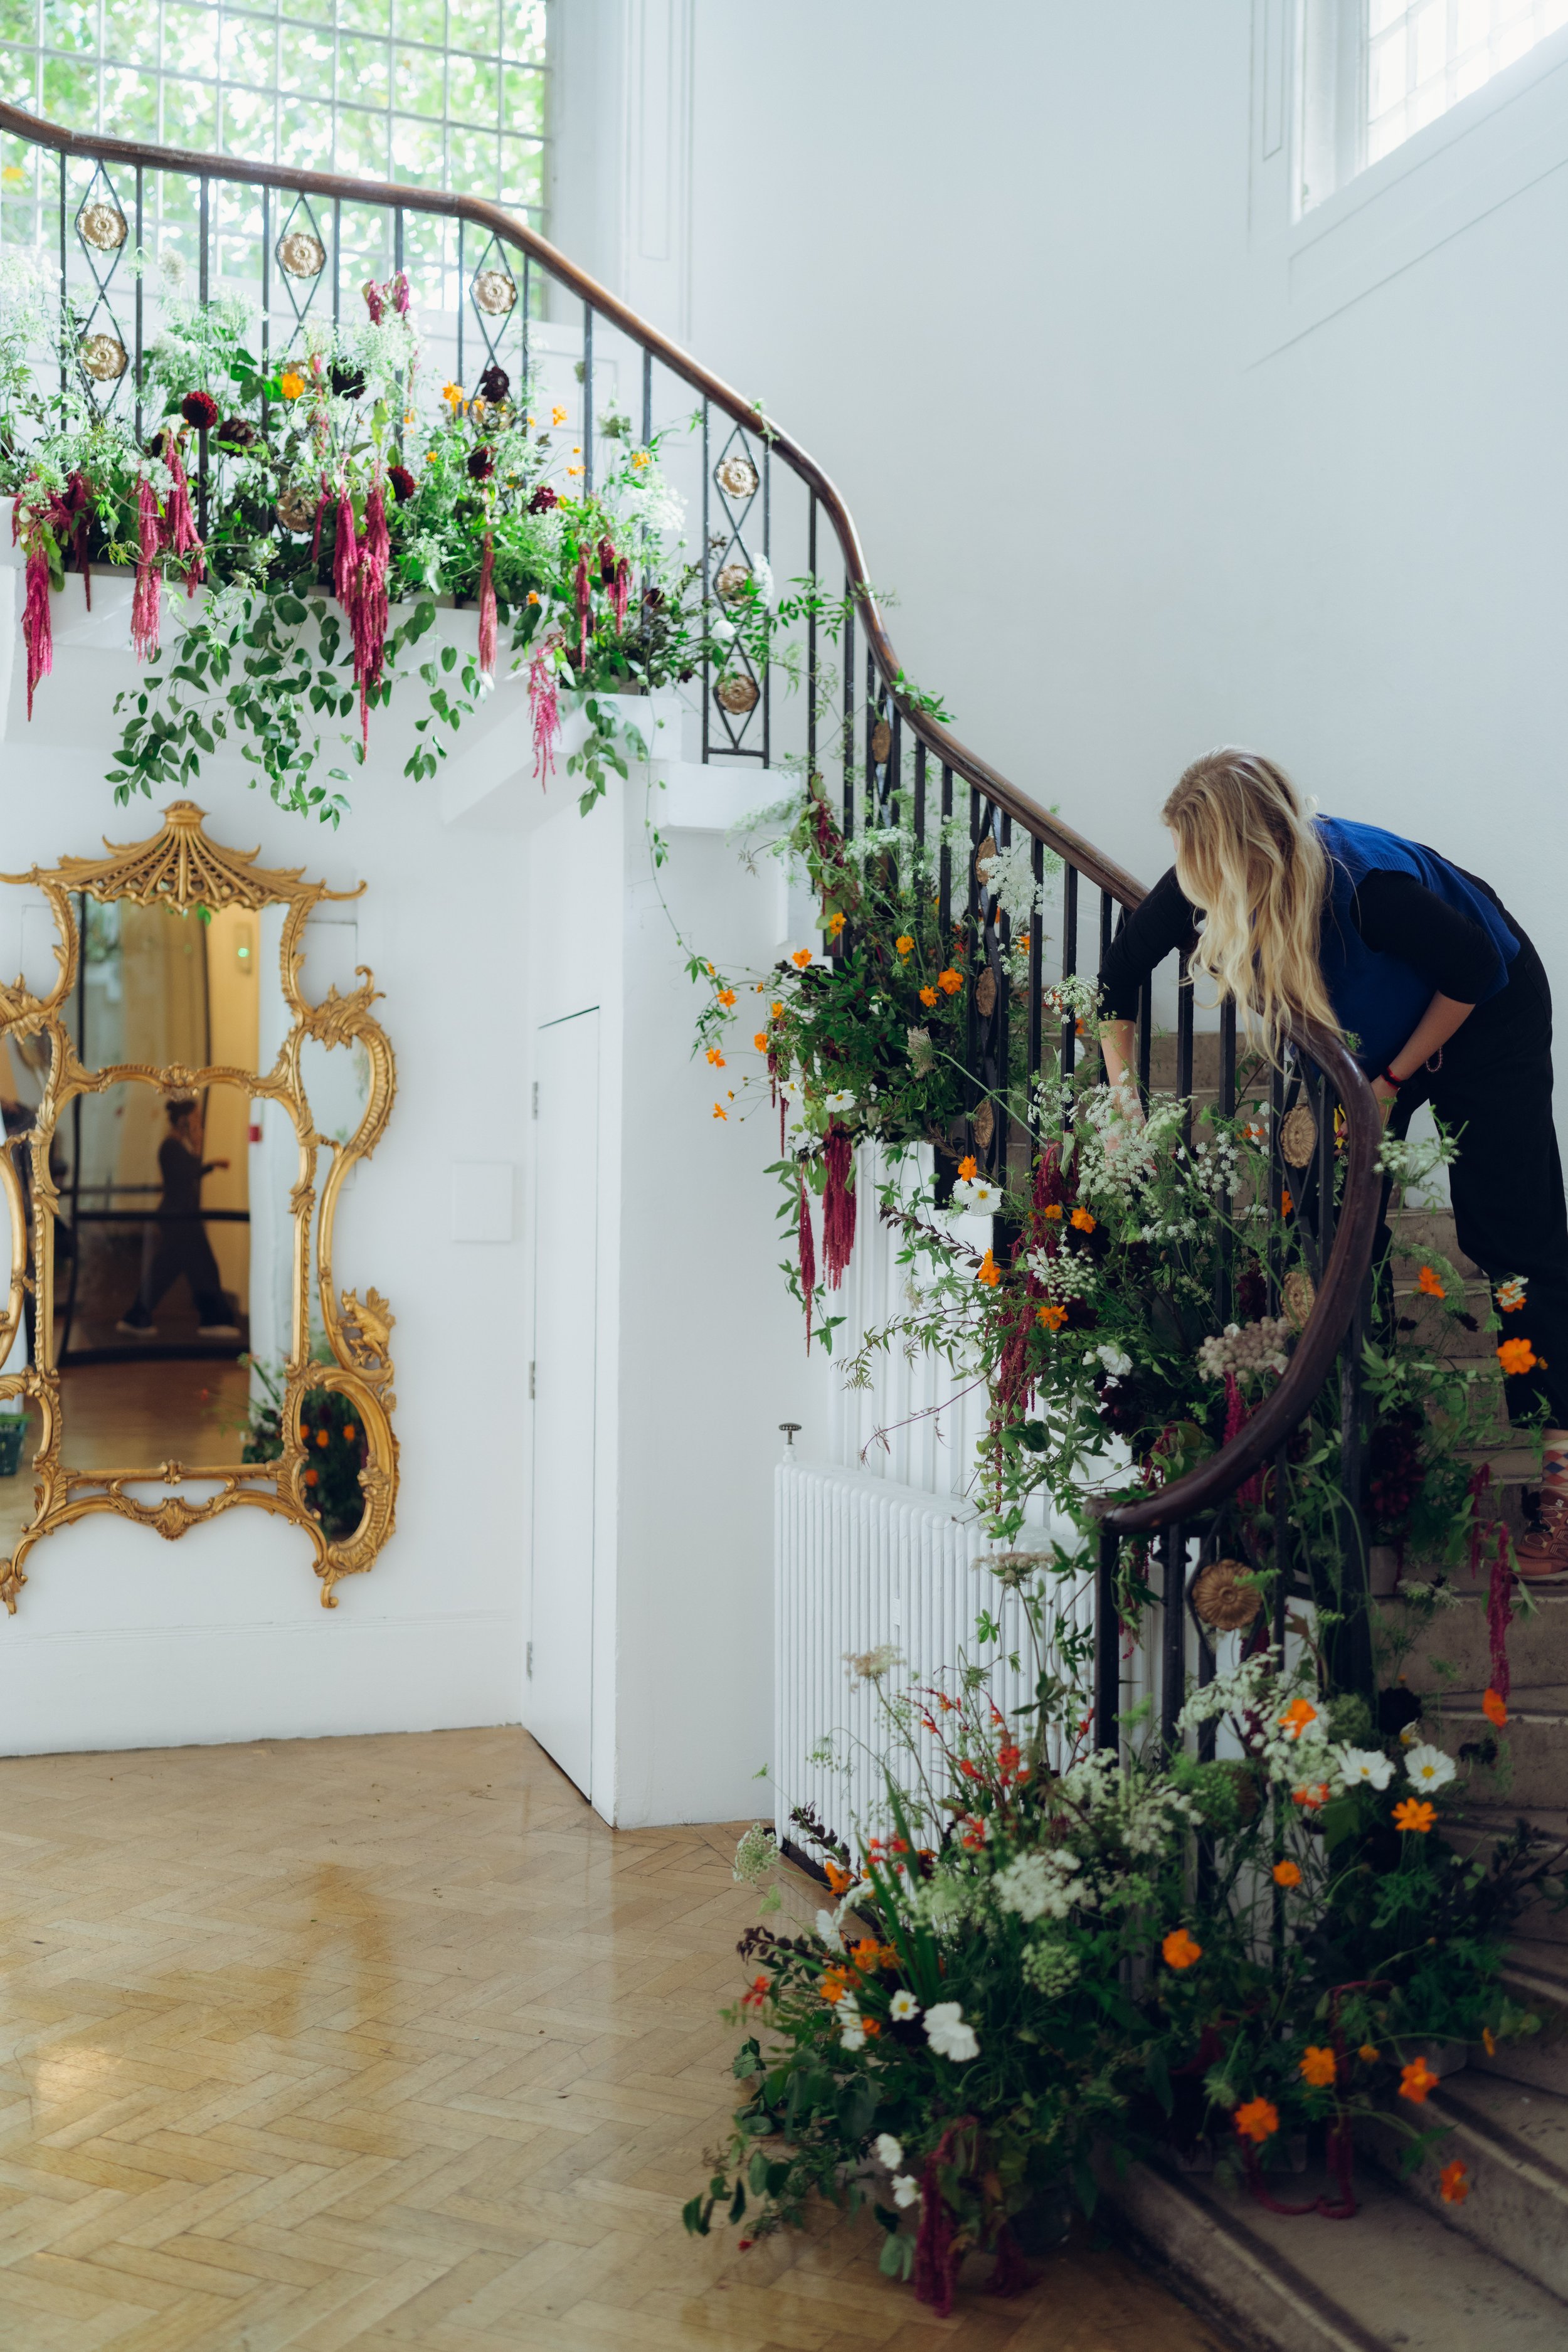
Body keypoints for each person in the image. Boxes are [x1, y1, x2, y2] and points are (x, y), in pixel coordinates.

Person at [1096, 746, 1568, 1578]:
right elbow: (1117, 975)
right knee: (1329, 1223)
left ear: (1241, 854)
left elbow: (1478, 966)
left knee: (1514, 1238)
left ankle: (1562, 1475)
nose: (1185, 881)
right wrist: (1123, 1101)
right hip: (1371, 1044)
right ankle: (1374, 1458)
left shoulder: (1369, 889)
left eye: (1196, 862)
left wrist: (1389, 1082)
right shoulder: (1204, 878)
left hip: (1487, 1019)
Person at [117, 1097, 240, 1342]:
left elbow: (189, 1174)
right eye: (195, 1118)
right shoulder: (170, 1147)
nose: (198, 1123)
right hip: (179, 1218)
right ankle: (213, 1319)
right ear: (183, 1120)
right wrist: (198, 1147)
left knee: (167, 1270)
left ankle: (137, 1317)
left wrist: (210, 1164)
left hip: (182, 1216)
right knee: (203, 1268)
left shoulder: (175, 1146)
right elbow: (186, 1174)